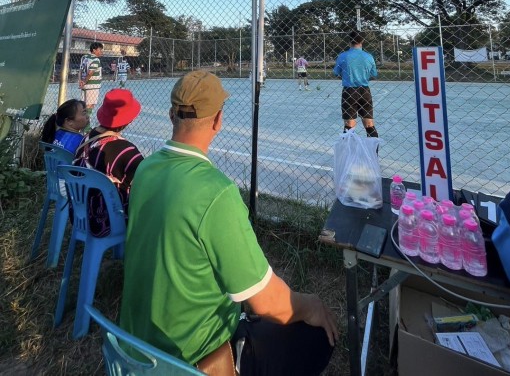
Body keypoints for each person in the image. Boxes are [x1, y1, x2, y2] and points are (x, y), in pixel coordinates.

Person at [120, 70, 337, 375]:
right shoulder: (216, 191)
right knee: (315, 338)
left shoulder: (145, 168)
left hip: (134, 346)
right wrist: (311, 304)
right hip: (187, 359)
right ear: (218, 120)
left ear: (171, 115)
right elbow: (267, 302)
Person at [73, 89, 143, 237]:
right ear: (130, 119)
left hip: (79, 214)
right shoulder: (127, 151)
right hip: (107, 221)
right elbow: (143, 186)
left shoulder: (87, 138)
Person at [333, 31, 379, 136]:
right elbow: (374, 75)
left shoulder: (343, 56)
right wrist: (363, 78)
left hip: (349, 91)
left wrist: (347, 77)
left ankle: (349, 146)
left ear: (349, 41)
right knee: (369, 124)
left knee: (349, 125)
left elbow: (336, 73)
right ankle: (373, 146)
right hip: (365, 90)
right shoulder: (368, 56)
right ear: (362, 41)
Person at [78, 42, 104, 118]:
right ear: (94, 50)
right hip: (92, 86)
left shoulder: (85, 58)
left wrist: (81, 81)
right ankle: (86, 123)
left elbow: (80, 70)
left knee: (84, 104)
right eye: (100, 50)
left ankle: (82, 121)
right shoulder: (95, 59)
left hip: (84, 85)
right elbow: (90, 72)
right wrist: (85, 81)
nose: (101, 52)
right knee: (90, 105)